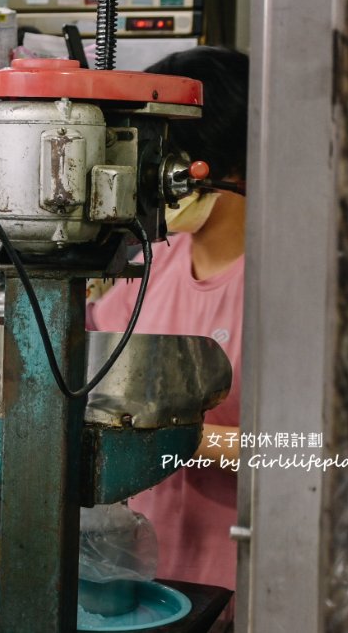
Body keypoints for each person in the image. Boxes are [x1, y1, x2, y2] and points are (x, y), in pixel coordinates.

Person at [89, 45, 249, 593]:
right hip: (142, 583)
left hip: (242, 590)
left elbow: (330, 457)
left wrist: (187, 439)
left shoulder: (293, 294)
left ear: (221, 166)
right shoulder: (153, 265)